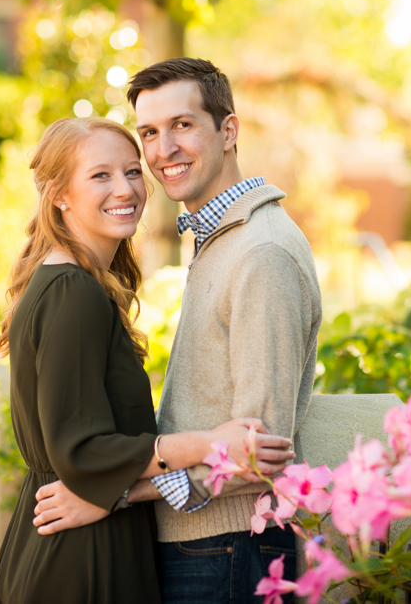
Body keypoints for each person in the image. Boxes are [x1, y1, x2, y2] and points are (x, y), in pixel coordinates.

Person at [33, 59, 323, 604]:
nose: (163, 149)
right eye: (149, 132)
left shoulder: (260, 253)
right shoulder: (222, 238)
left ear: (228, 131)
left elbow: (259, 447)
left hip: (231, 546)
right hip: (207, 544)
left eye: (183, 125)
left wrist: (117, 495)